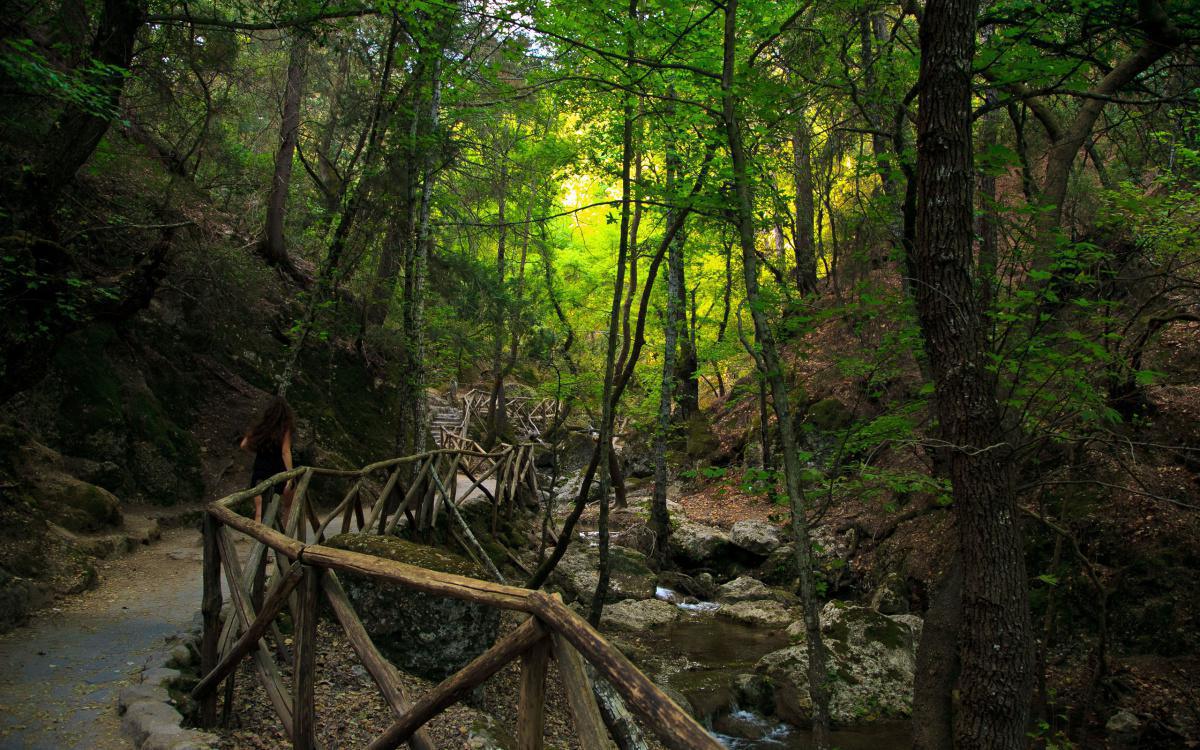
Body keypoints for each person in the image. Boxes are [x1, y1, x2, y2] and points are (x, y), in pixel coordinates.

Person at [240, 396, 295, 524]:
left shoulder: (260, 428)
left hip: (260, 470)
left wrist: (259, 450)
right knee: (289, 506)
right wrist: (290, 475)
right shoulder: (285, 428)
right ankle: (285, 536)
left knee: (259, 511)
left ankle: (259, 541)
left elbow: (243, 445)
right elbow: (285, 451)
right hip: (279, 471)